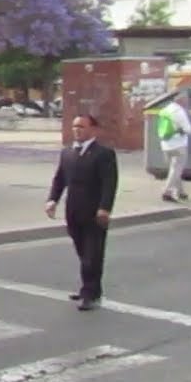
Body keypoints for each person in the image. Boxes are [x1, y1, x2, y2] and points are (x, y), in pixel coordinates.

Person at [45, 113, 119, 312]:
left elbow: (109, 184)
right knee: (83, 252)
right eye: (75, 126)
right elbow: (59, 179)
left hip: (95, 213)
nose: (77, 130)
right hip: (74, 211)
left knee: (92, 255)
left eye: (82, 127)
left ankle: (90, 294)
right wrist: (52, 200)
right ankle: (91, 288)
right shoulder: (67, 153)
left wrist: (105, 208)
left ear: (93, 130)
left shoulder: (104, 154)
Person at [157, 94, 191, 202]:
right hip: (178, 145)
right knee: (176, 169)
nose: (187, 103)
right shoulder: (179, 112)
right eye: (186, 101)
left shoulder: (164, 110)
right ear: (181, 102)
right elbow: (188, 129)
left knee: (175, 169)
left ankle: (181, 192)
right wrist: (184, 130)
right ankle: (166, 192)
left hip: (165, 145)